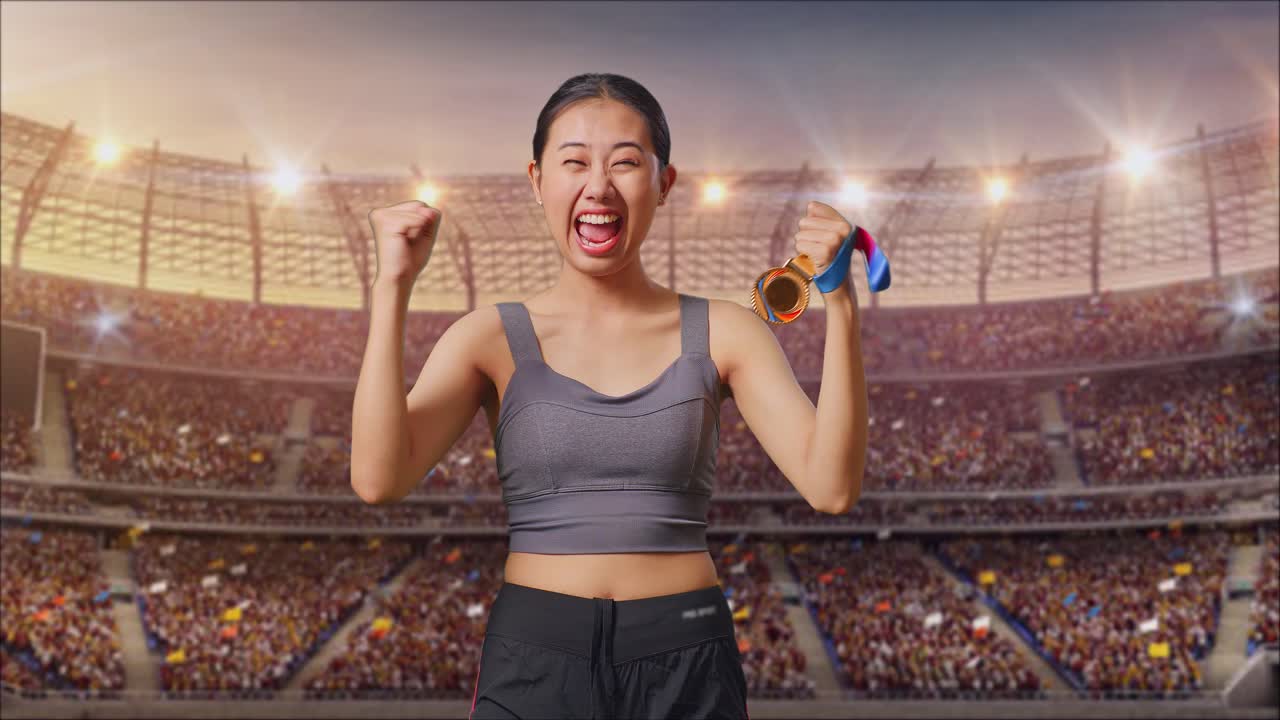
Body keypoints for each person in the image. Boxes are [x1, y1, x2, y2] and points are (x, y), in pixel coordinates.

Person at [351, 72, 869, 719]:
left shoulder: (728, 331)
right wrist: (391, 286)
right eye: (574, 162)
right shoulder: (488, 337)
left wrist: (842, 304)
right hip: (534, 658)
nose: (598, 186)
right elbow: (378, 478)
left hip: (688, 655)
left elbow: (832, 488)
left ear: (664, 182)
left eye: (625, 162)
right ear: (537, 180)